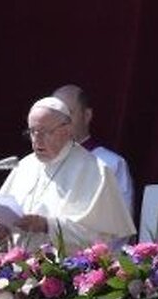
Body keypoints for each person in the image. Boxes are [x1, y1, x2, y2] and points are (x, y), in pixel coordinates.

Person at [0, 96, 135, 251]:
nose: (37, 140)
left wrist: (47, 225)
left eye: (45, 132)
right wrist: (1, 229)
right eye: (33, 131)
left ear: (66, 131)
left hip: (67, 272)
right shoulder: (25, 166)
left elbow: (101, 237)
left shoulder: (95, 170)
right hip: (19, 269)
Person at [52, 84, 135, 216]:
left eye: (68, 113)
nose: (60, 122)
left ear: (87, 115)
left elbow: (120, 227)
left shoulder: (110, 164)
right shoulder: (36, 165)